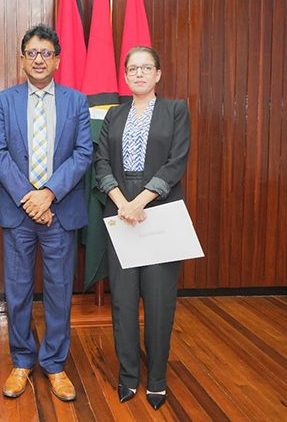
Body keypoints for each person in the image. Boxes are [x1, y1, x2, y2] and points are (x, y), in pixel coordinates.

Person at [0, 24, 92, 401]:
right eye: (32, 53)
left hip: (59, 212)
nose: (39, 59)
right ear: (22, 59)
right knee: (16, 292)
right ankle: (21, 360)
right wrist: (28, 198)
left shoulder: (77, 101)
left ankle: (54, 363)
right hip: (17, 212)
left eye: (46, 53)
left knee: (59, 291)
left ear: (57, 60)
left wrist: (47, 195)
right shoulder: (5, 100)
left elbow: (83, 154)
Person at [93, 46, 191, 410]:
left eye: (145, 67)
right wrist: (122, 203)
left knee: (160, 301)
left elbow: (176, 162)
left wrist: (140, 202)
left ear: (158, 74)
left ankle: (158, 380)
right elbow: (101, 164)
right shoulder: (113, 116)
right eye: (132, 68)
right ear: (125, 74)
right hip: (121, 213)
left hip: (159, 210)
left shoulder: (176, 110)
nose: (138, 73)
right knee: (122, 300)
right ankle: (128, 377)